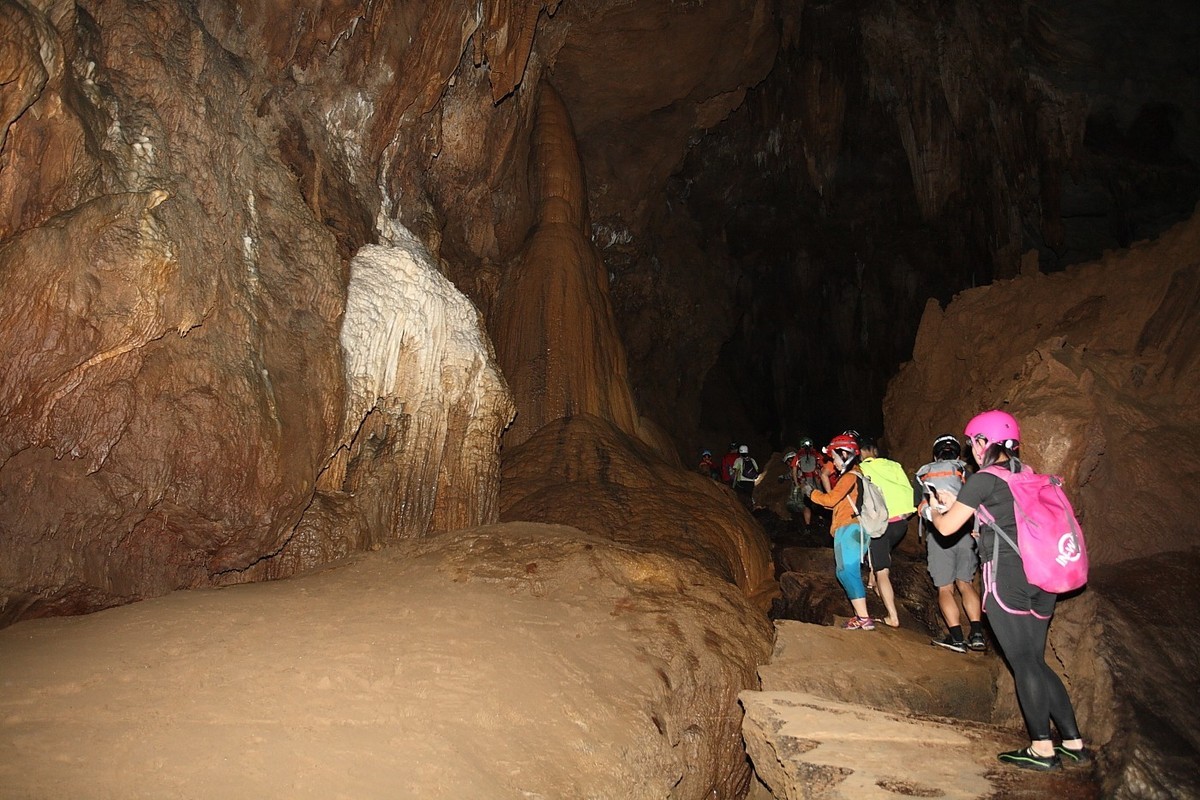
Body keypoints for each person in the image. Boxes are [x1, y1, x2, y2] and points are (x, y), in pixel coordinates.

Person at [926, 410, 1092, 771]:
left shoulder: (983, 479)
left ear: (985, 442)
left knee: (1024, 665)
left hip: (1009, 580)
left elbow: (946, 528)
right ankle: (1073, 742)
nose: (971, 451)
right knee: (1035, 660)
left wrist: (931, 510)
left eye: (973, 444)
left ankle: (1041, 749)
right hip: (1044, 577)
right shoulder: (1028, 474)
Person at [917, 434, 986, 653]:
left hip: (939, 536)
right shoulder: (966, 471)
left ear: (935, 453)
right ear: (957, 452)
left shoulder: (924, 473)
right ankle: (976, 635)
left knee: (945, 588)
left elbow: (920, 506)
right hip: (965, 534)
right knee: (964, 583)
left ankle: (956, 639)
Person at [805, 434, 874, 630]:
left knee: (849, 571)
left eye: (834, 457)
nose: (832, 462)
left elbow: (831, 500)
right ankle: (860, 616)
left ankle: (864, 617)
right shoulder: (850, 476)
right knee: (843, 572)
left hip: (852, 528)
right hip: (845, 527)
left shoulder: (851, 476)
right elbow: (835, 505)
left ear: (845, 454)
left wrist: (812, 493)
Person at [858, 437, 917, 628]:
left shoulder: (861, 470)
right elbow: (908, 490)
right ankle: (872, 582)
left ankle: (893, 617)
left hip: (881, 525)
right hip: (901, 522)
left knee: (883, 570)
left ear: (860, 453)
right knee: (881, 555)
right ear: (875, 451)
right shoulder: (894, 465)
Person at [792, 437, 824, 527]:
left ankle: (807, 525)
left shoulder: (798, 455)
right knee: (819, 500)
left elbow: (794, 470)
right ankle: (821, 520)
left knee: (807, 504)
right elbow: (823, 466)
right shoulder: (816, 454)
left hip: (805, 481)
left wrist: (797, 483)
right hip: (816, 481)